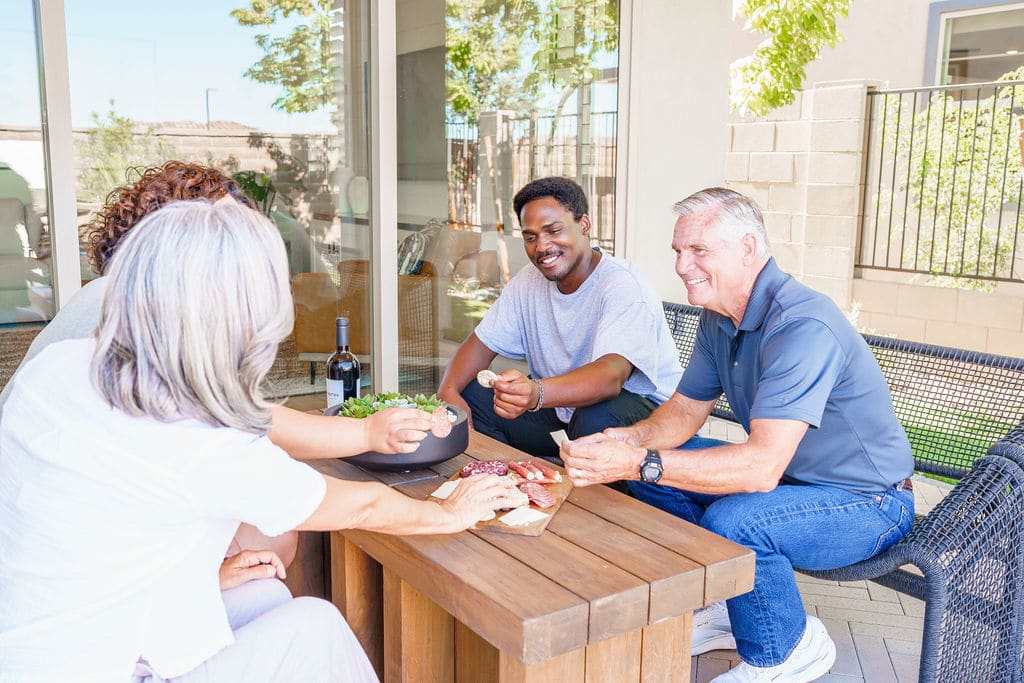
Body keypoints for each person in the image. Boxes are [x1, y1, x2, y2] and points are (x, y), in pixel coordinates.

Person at [0, 198, 516, 682]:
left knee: (263, 590)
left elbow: (92, 528)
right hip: (90, 668)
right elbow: (357, 508)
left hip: (47, 637)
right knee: (315, 624)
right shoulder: (195, 434)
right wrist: (450, 514)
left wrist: (203, 580)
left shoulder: (59, 366)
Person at [0, 161, 435, 566]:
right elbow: (236, 431)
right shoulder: (125, 311)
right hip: (74, 546)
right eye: (222, 234)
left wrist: (365, 431)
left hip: (59, 525)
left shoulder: (113, 309)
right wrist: (440, 506)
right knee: (271, 535)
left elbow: (237, 420)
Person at [560, 188, 915, 683]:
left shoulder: (802, 325)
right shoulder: (719, 317)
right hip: (793, 481)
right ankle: (727, 607)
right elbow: (683, 413)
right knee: (650, 471)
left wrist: (638, 461)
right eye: (679, 252)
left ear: (748, 248)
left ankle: (787, 649)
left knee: (736, 521)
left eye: (699, 251)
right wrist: (629, 442)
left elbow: (759, 467)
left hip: (868, 502)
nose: (683, 266)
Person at [438, 176, 682, 461]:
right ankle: (512, 481)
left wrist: (534, 392)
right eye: (530, 237)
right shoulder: (528, 282)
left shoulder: (622, 285)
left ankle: (598, 502)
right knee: (473, 394)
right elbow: (479, 346)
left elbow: (610, 378)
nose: (542, 247)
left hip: (640, 418)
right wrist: (448, 391)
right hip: (561, 413)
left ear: (585, 226)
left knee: (596, 418)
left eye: (553, 230)